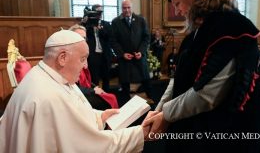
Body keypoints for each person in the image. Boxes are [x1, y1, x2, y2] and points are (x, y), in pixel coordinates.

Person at [143, 0, 260, 153]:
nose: (177, 11)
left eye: (177, 3)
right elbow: (178, 78)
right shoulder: (199, 31)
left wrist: (166, 114)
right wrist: (158, 110)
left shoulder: (231, 27)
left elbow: (209, 95)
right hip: (194, 122)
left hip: (224, 132)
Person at [0, 30, 149, 153]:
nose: (85, 66)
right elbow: (89, 146)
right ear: (62, 58)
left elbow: (74, 115)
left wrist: (100, 117)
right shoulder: (50, 97)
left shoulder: (43, 75)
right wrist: (139, 134)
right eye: (83, 59)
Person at [110, 0, 152, 102]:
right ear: (121, 8)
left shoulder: (140, 20)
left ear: (132, 8)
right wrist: (122, 54)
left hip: (139, 56)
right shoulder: (116, 22)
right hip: (124, 58)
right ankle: (126, 104)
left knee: (146, 80)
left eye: (129, 7)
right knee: (125, 83)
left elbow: (146, 37)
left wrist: (141, 52)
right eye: (124, 8)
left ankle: (150, 100)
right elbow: (113, 41)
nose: (127, 10)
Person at [69, 24, 119, 110]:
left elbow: (86, 80)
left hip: (85, 90)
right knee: (109, 101)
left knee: (110, 96)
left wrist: (94, 87)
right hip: (77, 96)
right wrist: (93, 91)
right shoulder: (68, 58)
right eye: (78, 37)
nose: (82, 41)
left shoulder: (82, 55)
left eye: (84, 38)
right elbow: (71, 87)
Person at [81, 4, 112, 91]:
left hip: (105, 55)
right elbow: (80, 34)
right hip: (93, 55)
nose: (99, 14)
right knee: (94, 78)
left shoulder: (105, 24)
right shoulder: (87, 25)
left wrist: (100, 29)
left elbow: (109, 36)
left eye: (101, 12)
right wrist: (84, 22)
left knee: (106, 78)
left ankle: (107, 95)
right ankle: (96, 95)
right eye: (97, 12)